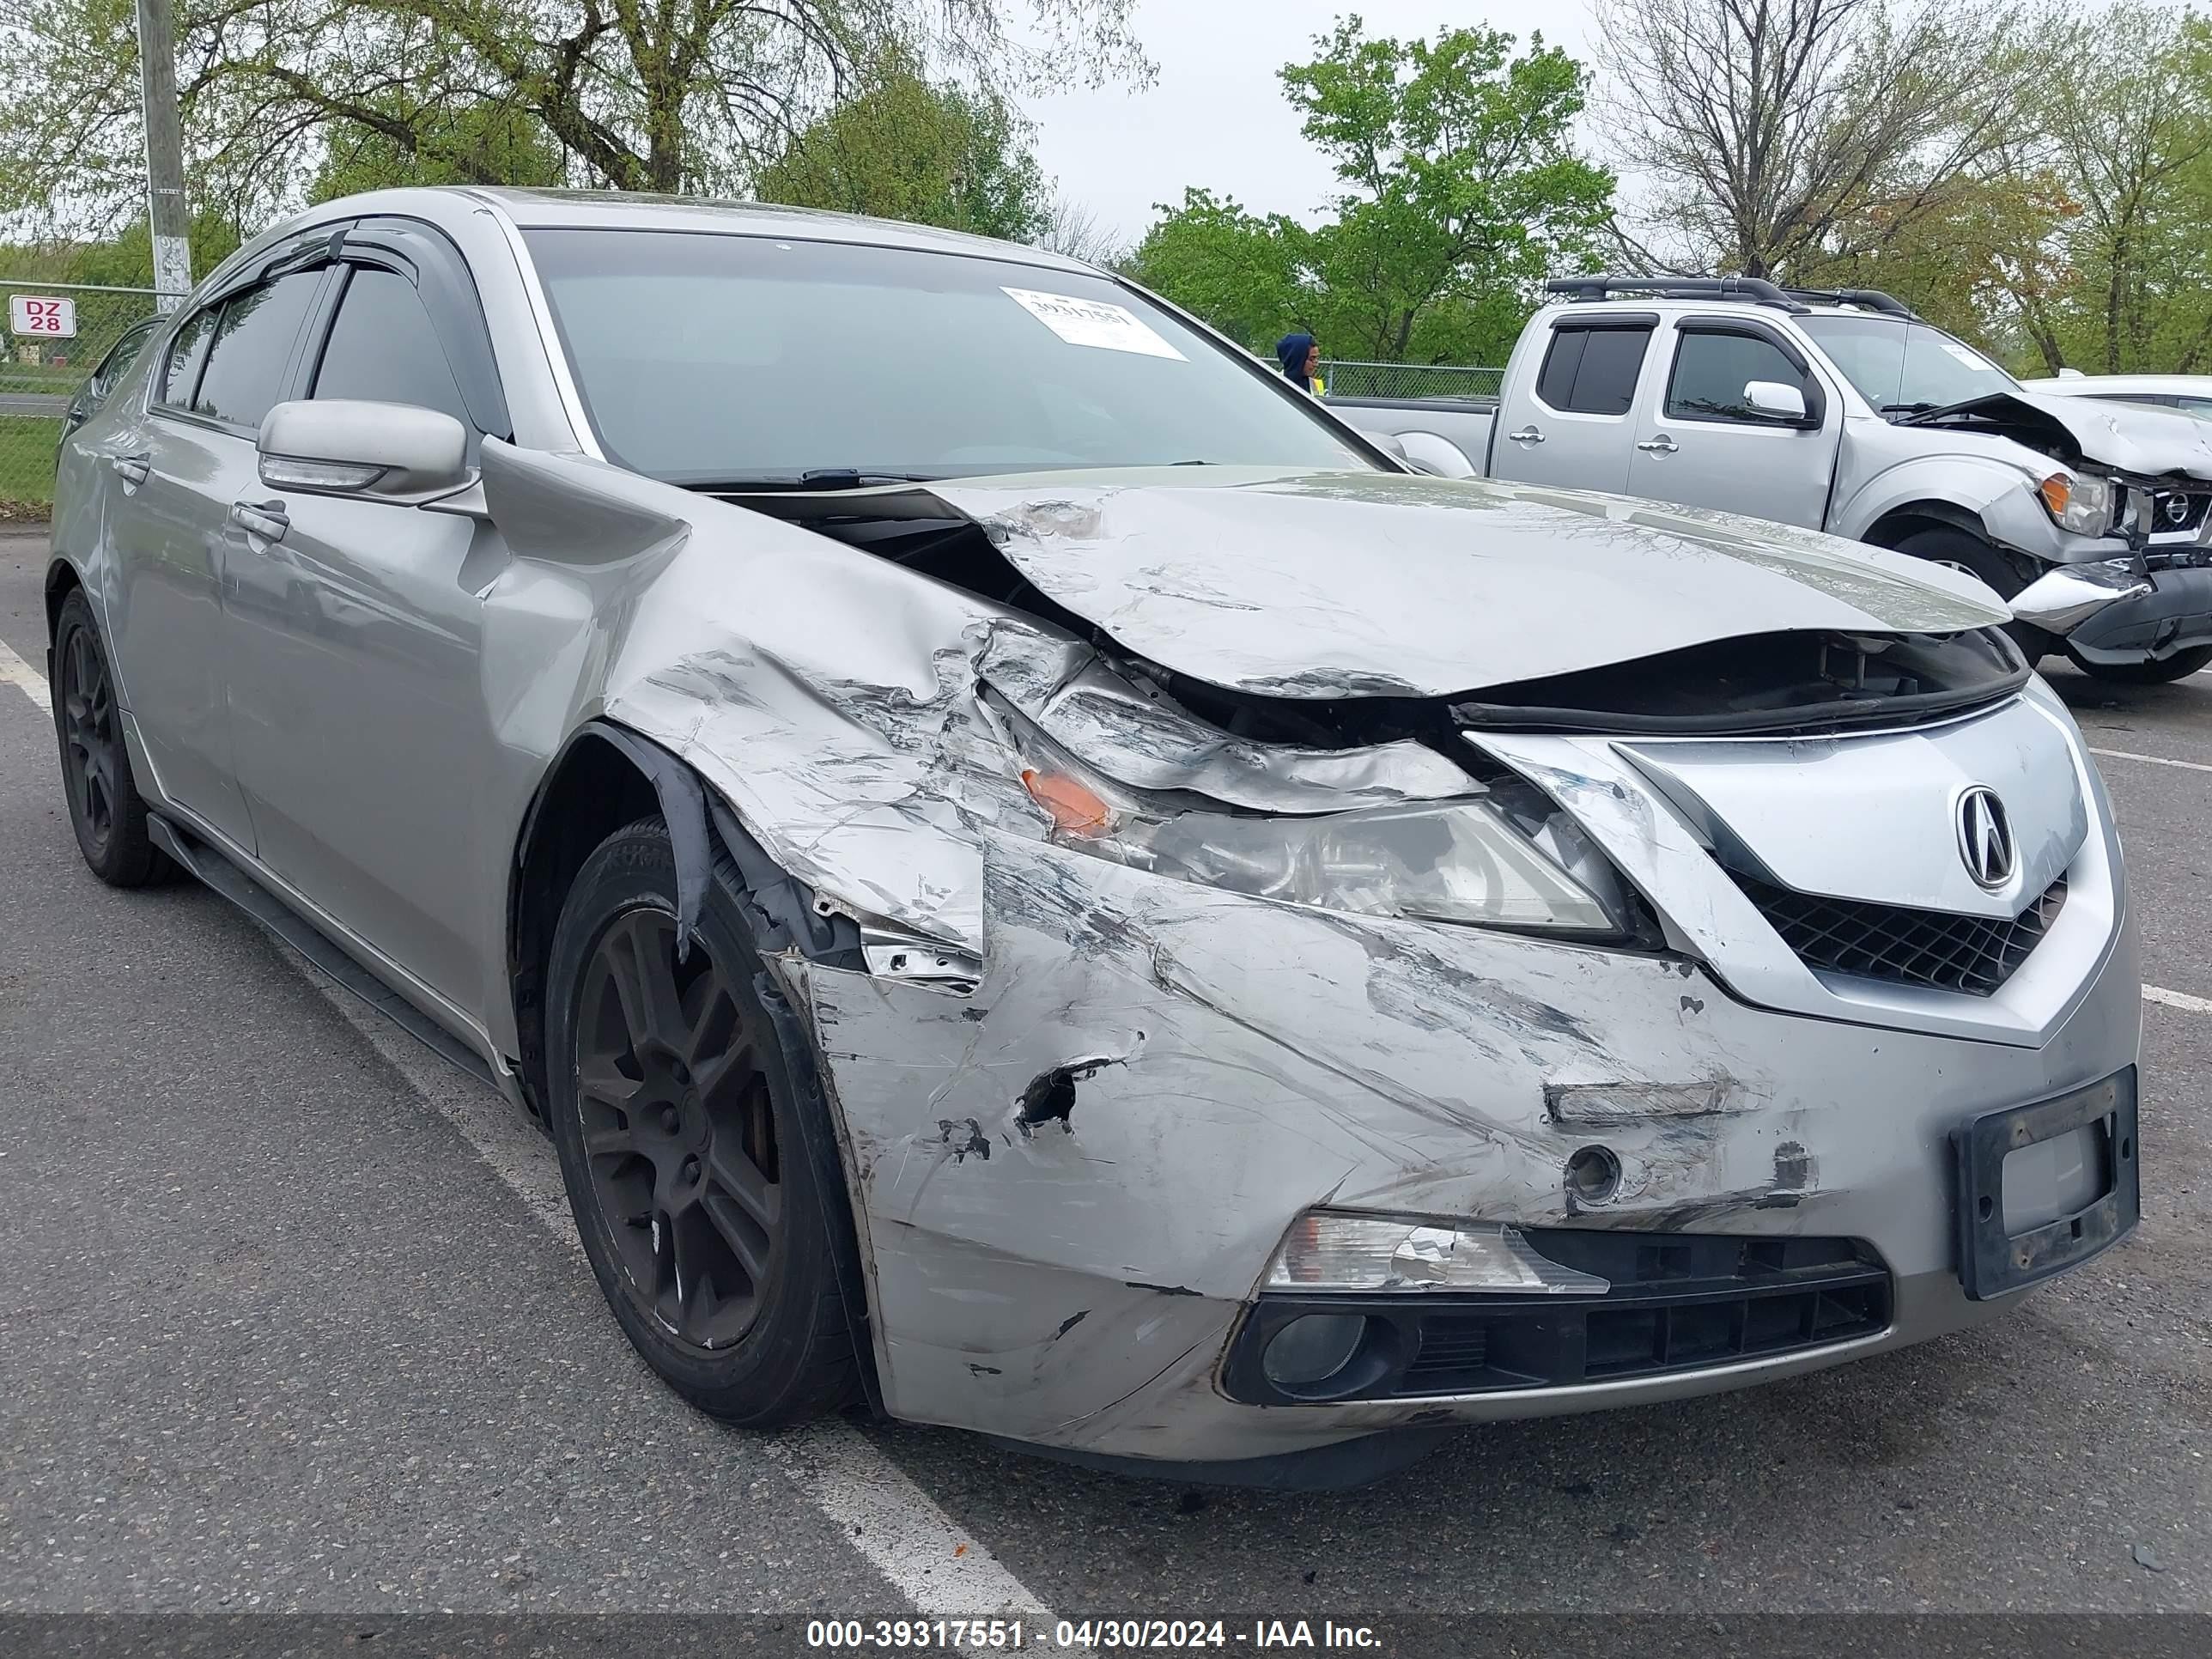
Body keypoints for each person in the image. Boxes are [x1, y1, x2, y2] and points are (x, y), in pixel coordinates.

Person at [1275, 331, 1325, 396]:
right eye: (1312, 359)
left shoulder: (1316, 386)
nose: (1316, 364)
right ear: (1298, 359)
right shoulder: (1275, 385)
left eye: (1317, 359)